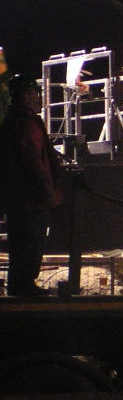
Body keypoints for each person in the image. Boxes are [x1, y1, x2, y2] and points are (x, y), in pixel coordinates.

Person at [0, 74, 65, 296]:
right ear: (26, 96)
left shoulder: (13, 122)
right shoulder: (27, 123)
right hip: (30, 199)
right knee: (30, 242)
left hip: (19, 197)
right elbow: (33, 160)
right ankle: (23, 286)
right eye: (35, 93)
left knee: (21, 242)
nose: (38, 98)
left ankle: (20, 284)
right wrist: (47, 189)